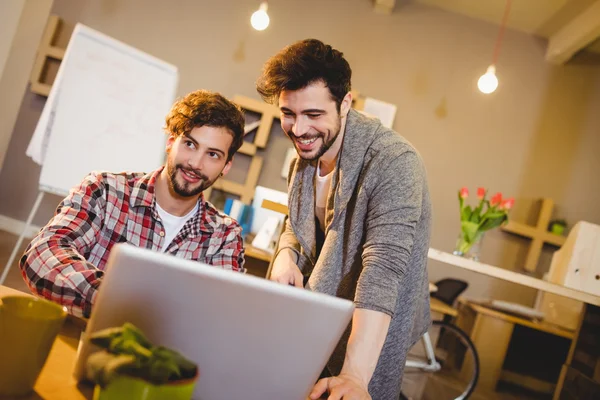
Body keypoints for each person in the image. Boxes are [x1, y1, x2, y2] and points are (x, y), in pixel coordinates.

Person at [256, 39, 432, 400]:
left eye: (314, 115)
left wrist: (354, 375)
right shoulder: (302, 162)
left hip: (369, 331)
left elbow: (383, 269)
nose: (299, 129)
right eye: (288, 113)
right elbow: (297, 223)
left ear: (346, 103)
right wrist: (286, 255)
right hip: (315, 320)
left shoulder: (394, 161)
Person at [20, 90, 246, 318]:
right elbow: (42, 254)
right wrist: (118, 301)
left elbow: (221, 315)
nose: (195, 163)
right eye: (189, 144)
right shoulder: (104, 190)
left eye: (213, 155)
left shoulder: (225, 236)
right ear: (171, 142)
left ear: (226, 166)